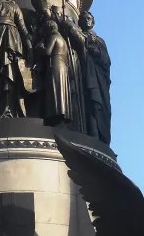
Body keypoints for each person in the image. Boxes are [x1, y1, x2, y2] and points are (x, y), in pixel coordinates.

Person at [60, 11, 111, 144]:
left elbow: (106, 60)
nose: (86, 20)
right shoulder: (81, 35)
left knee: (97, 107)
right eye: (83, 19)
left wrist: (96, 51)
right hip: (85, 74)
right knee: (89, 104)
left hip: (97, 77)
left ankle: (98, 139)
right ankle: (92, 136)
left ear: (93, 22)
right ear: (80, 22)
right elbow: (77, 38)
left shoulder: (100, 41)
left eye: (89, 18)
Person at [35, 19, 72, 125]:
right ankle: (61, 115)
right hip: (63, 67)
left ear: (49, 28)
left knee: (55, 90)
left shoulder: (53, 36)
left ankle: (54, 115)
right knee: (61, 90)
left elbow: (47, 52)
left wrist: (39, 47)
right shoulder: (63, 39)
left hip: (54, 65)